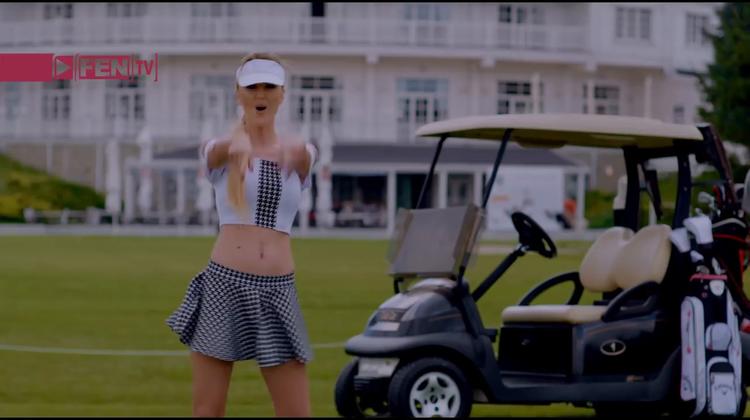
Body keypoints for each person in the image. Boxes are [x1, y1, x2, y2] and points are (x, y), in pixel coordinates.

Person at [166, 52, 317, 417]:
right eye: (252, 87)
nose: (260, 94)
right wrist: (236, 145)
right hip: (225, 284)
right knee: (208, 411)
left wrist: (290, 151)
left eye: (269, 86)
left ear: (282, 94)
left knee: (297, 413)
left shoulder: (302, 152)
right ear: (238, 93)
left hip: (278, 289)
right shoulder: (220, 149)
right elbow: (214, 154)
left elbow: (303, 159)